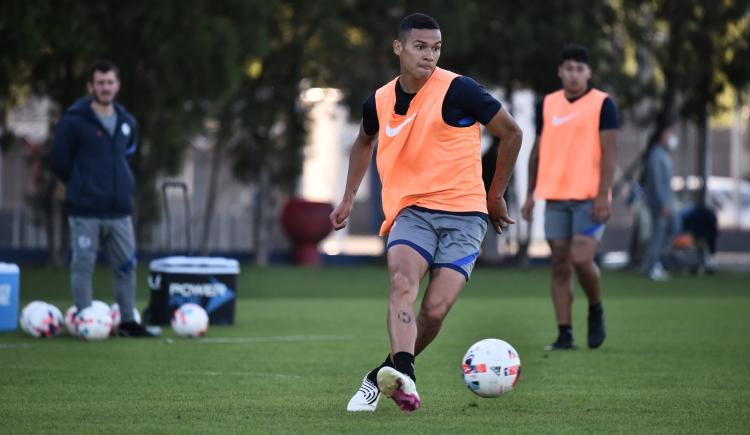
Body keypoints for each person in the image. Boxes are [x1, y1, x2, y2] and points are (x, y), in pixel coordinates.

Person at [331, 13, 522, 413]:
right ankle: (407, 378)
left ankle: (382, 375)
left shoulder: (461, 90)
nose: (429, 55)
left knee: (434, 312)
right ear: (398, 47)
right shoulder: (379, 100)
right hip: (412, 212)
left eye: (436, 48)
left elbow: (512, 132)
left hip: (466, 216)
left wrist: (496, 195)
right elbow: (364, 141)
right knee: (403, 282)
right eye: (420, 46)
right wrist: (349, 197)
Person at [521, 45, 618, 351]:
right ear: (560, 72)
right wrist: (529, 195)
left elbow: (609, 154)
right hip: (555, 197)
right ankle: (564, 334)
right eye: (569, 68)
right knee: (560, 264)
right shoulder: (547, 104)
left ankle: (596, 308)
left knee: (580, 258)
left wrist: (603, 194)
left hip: (589, 197)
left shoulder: (603, 104)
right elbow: (537, 152)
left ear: (588, 73)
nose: (574, 74)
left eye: (580, 69)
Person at [52, 60, 156, 337]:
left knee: (126, 266)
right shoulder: (74, 121)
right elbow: (60, 162)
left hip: (119, 210)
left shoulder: (127, 122)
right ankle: (85, 320)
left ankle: (127, 322)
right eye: (100, 82)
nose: (105, 87)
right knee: (83, 265)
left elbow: (127, 156)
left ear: (117, 85)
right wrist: (83, 184)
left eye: (110, 82)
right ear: (90, 86)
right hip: (85, 209)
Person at [641, 123, 680, 280]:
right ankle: (651, 265)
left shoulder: (664, 154)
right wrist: (662, 203)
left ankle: (656, 260)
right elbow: (657, 182)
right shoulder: (656, 155)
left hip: (667, 201)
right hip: (659, 203)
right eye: (669, 134)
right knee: (658, 233)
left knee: (672, 228)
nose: (671, 138)